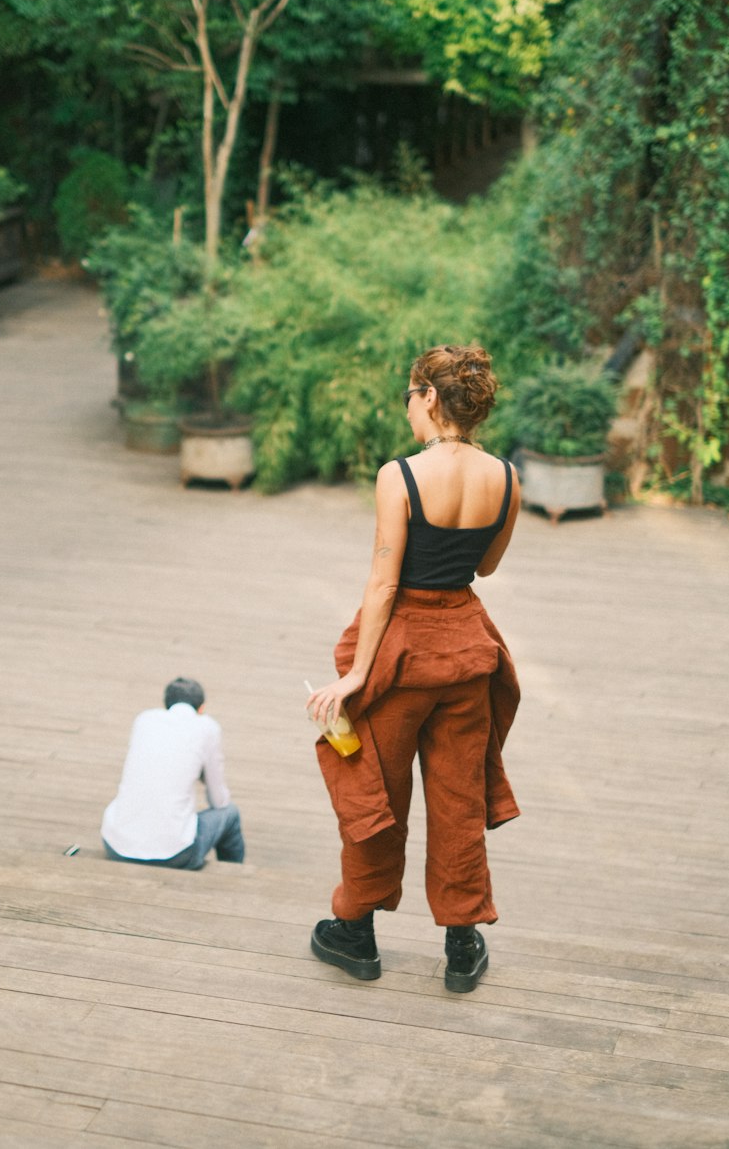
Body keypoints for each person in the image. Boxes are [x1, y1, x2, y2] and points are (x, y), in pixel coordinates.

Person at [306, 344, 520, 993]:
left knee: (375, 793)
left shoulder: (398, 476)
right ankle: (461, 945)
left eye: (409, 396)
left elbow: (382, 584)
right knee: (458, 803)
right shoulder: (506, 477)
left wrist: (353, 677)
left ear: (429, 397)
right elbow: (485, 567)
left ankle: (357, 932)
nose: (407, 411)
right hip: (464, 654)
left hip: (402, 659)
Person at [101, 677, 245, 869]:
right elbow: (219, 801)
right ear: (201, 709)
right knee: (230, 813)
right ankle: (234, 875)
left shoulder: (144, 720)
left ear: (166, 704)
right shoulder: (207, 727)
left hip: (116, 846)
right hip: (175, 854)